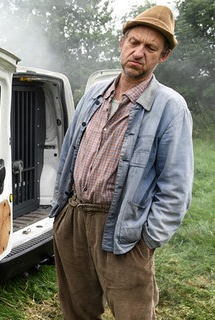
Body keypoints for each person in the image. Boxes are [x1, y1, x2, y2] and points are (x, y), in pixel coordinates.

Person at [50, 5, 193, 319]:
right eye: (134, 42)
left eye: (150, 47)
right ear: (122, 43)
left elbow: (176, 188)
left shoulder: (170, 107)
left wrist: (148, 240)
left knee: (133, 314)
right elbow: (69, 153)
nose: (139, 52)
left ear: (162, 56)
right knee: (77, 310)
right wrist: (61, 214)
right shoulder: (93, 95)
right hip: (73, 218)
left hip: (123, 229)